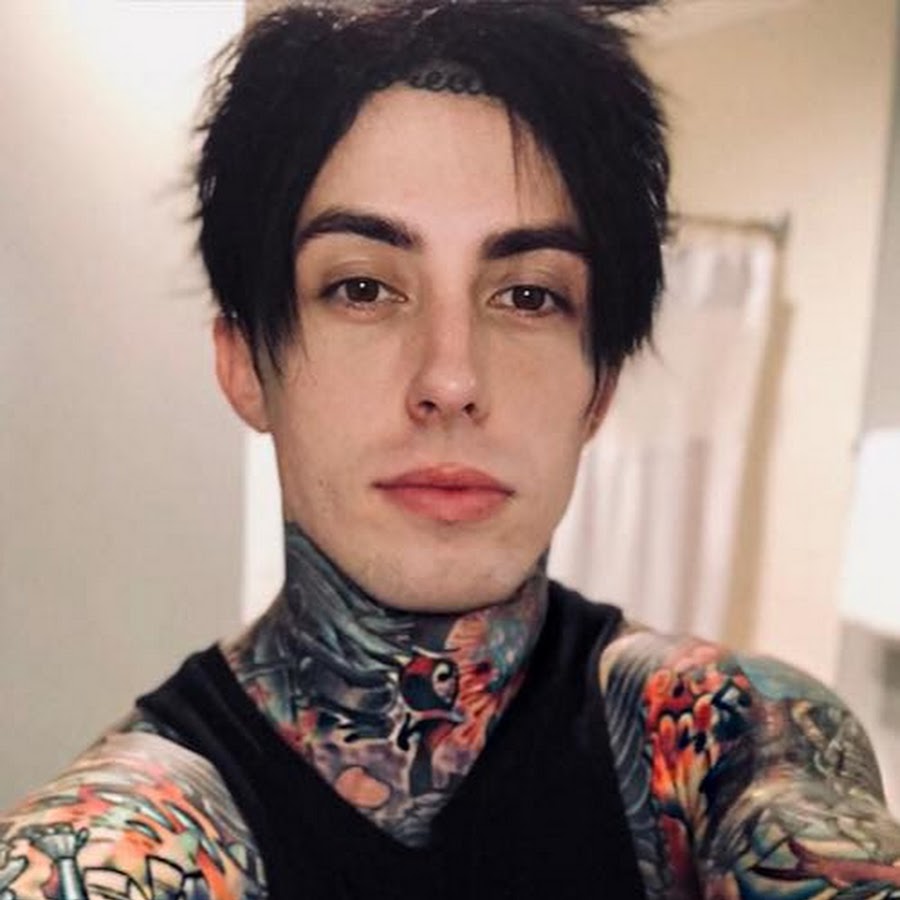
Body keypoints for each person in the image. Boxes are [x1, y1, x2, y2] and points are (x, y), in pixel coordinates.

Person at [2, 1, 898, 898]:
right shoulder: (127, 839)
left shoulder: (730, 741)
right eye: (362, 288)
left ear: (600, 388)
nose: (453, 378)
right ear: (244, 365)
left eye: (529, 296)